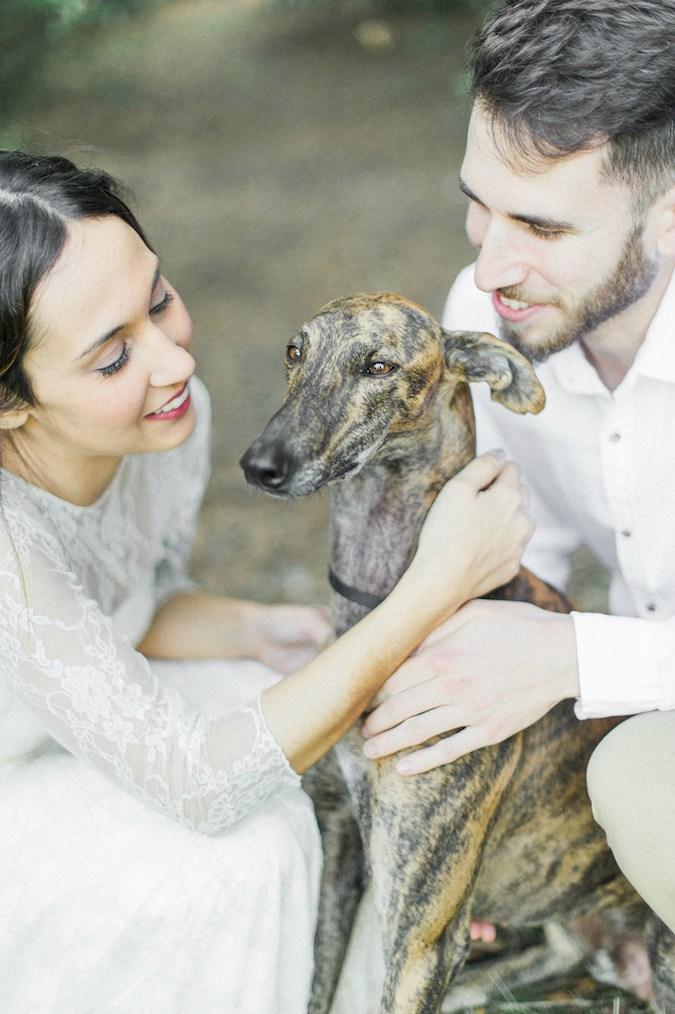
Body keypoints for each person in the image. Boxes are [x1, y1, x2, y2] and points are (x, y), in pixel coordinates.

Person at [0, 150, 531, 1014]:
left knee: (320, 729)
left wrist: (257, 629)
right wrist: (432, 587)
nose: (172, 364)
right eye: (110, 360)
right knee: (252, 851)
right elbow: (200, 784)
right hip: (12, 794)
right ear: (9, 402)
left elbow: (129, 605)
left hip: (69, 723)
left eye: (159, 300)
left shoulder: (165, 415)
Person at [362, 0, 675, 943]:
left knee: (631, 778)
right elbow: (502, 563)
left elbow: (552, 649)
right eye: (478, 201)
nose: (490, 263)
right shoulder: (490, 318)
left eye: (539, 225)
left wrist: (572, 656)